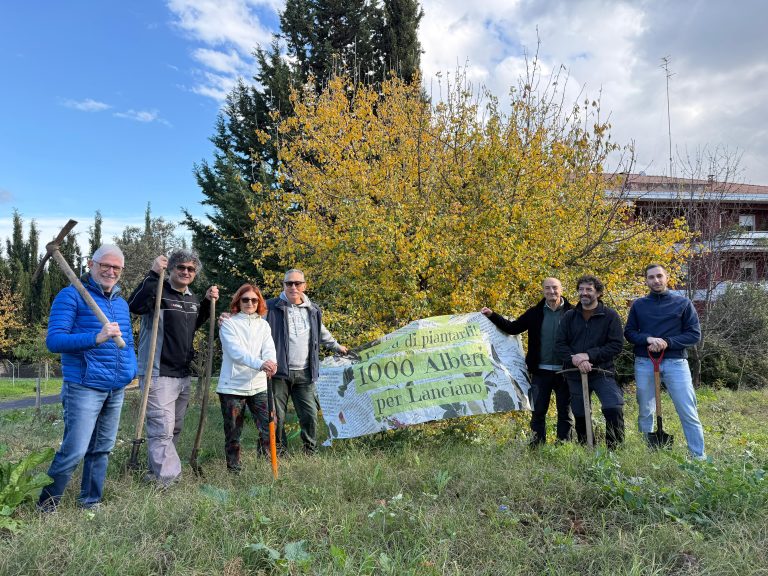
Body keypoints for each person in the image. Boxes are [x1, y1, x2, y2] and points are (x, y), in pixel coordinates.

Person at [38, 245, 137, 511]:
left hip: (116, 387)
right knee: (75, 450)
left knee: (101, 449)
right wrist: (96, 338)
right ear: (91, 265)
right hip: (84, 385)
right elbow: (55, 341)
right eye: (105, 265)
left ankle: (90, 502)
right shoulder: (70, 296)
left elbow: (127, 342)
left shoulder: (120, 302)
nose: (110, 271)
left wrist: (131, 371)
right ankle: (46, 506)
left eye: (116, 267)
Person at [128, 249, 218, 486]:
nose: (186, 272)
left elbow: (193, 325)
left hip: (182, 374)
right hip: (157, 371)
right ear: (171, 269)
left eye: (191, 269)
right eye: (181, 267)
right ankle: (167, 480)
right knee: (162, 427)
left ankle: (155, 472)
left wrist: (208, 302)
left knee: (174, 427)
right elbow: (135, 306)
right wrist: (152, 273)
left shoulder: (191, 298)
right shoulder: (158, 290)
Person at [624, 264, 705, 459]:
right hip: (645, 362)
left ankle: (698, 456)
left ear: (667, 278)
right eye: (651, 277)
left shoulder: (683, 304)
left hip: (676, 363)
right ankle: (648, 453)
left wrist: (667, 343)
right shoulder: (639, 305)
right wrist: (648, 339)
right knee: (645, 410)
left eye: (659, 276)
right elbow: (629, 333)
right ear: (646, 280)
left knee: (687, 410)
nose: (656, 280)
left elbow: (694, 335)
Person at [481, 277, 574, 445]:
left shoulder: (573, 312)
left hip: (566, 372)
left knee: (565, 413)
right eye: (547, 288)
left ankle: (563, 446)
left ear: (561, 289)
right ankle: (537, 446)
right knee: (538, 411)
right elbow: (513, 328)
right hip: (540, 371)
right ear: (543, 290)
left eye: (554, 288)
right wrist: (492, 315)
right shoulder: (535, 313)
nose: (551, 291)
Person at [266, 269, 347, 454]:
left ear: (304, 285)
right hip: (278, 372)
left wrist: (337, 347)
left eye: (297, 283)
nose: (293, 287)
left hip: (305, 372)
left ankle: (310, 450)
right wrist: (231, 318)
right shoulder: (270, 307)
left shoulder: (313, 309)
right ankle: (278, 451)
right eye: (289, 283)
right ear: (283, 285)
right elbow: (251, 322)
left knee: (310, 415)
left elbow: (322, 332)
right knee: (277, 416)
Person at [555, 275, 625, 449]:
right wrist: (576, 359)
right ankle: (587, 447)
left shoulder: (610, 316)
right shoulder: (570, 316)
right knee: (580, 412)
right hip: (574, 373)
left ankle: (614, 450)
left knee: (613, 406)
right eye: (581, 289)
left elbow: (616, 345)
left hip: (602, 372)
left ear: (598, 293)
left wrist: (589, 355)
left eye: (588, 289)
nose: (583, 293)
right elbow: (560, 345)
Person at [217, 283, 277, 472]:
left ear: (259, 302)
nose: (250, 303)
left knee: (270, 425)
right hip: (233, 387)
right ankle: (234, 470)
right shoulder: (229, 323)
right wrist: (260, 364)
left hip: (259, 385)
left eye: (254, 299)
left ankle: (267, 462)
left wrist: (271, 362)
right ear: (238, 301)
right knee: (234, 432)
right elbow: (236, 352)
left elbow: (269, 348)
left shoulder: (263, 325)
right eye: (245, 299)